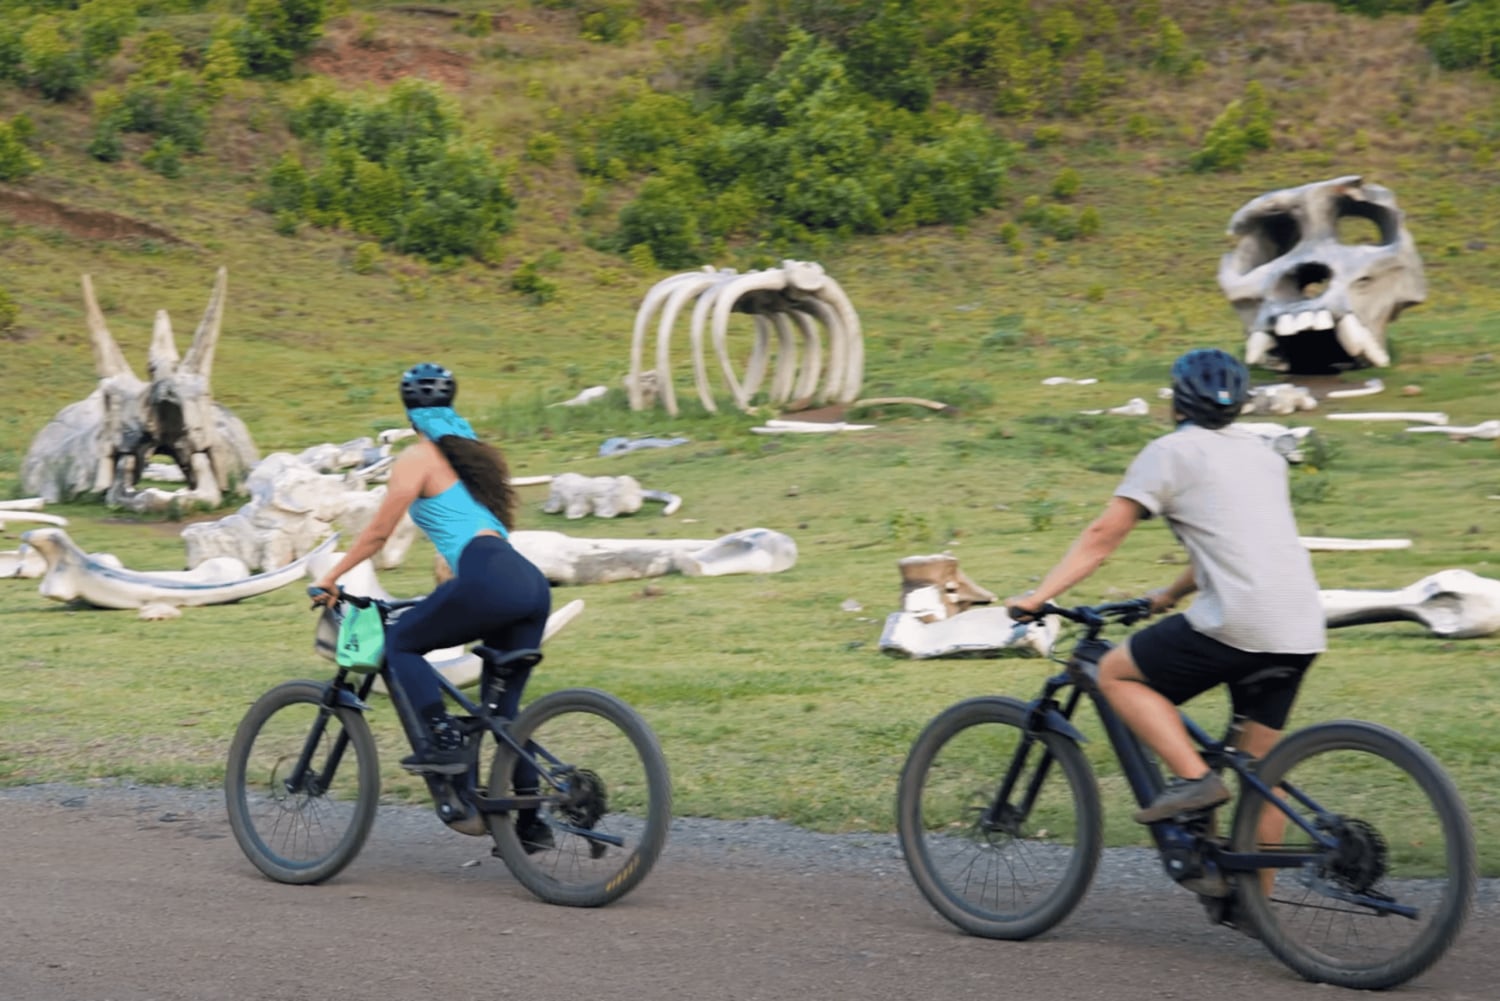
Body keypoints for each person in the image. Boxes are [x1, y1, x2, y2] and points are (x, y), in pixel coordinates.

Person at [1006, 348, 1325, 826]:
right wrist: (1171, 595)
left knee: (1114, 674)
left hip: (1239, 623)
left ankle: (1194, 780)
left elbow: (1101, 538)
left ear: (1177, 403)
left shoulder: (1170, 452)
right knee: (1263, 776)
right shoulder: (1264, 455)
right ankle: (1245, 902)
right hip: (1301, 626)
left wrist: (1037, 597)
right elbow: (1239, 544)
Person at [311, 363, 552, 778]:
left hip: (487, 579)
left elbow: (378, 533)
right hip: (528, 584)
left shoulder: (418, 457)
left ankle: (443, 738)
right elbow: (478, 535)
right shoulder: (470, 457)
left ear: (408, 413)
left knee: (401, 642)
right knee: (506, 718)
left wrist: (331, 577)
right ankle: (529, 822)